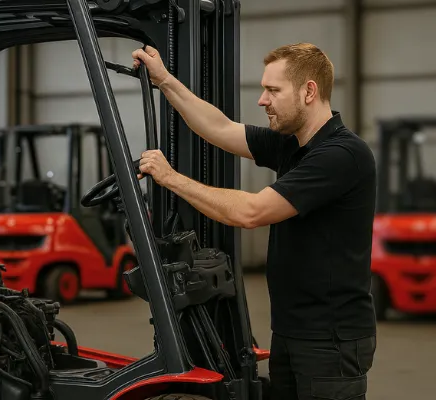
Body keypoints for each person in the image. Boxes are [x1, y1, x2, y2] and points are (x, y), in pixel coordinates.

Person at [132, 43, 377, 400]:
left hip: (330, 341)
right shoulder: (291, 144)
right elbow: (219, 128)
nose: (263, 100)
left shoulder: (341, 155)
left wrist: (170, 178)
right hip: (293, 331)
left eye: (273, 90)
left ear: (309, 91)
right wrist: (165, 80)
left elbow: (250, 212)